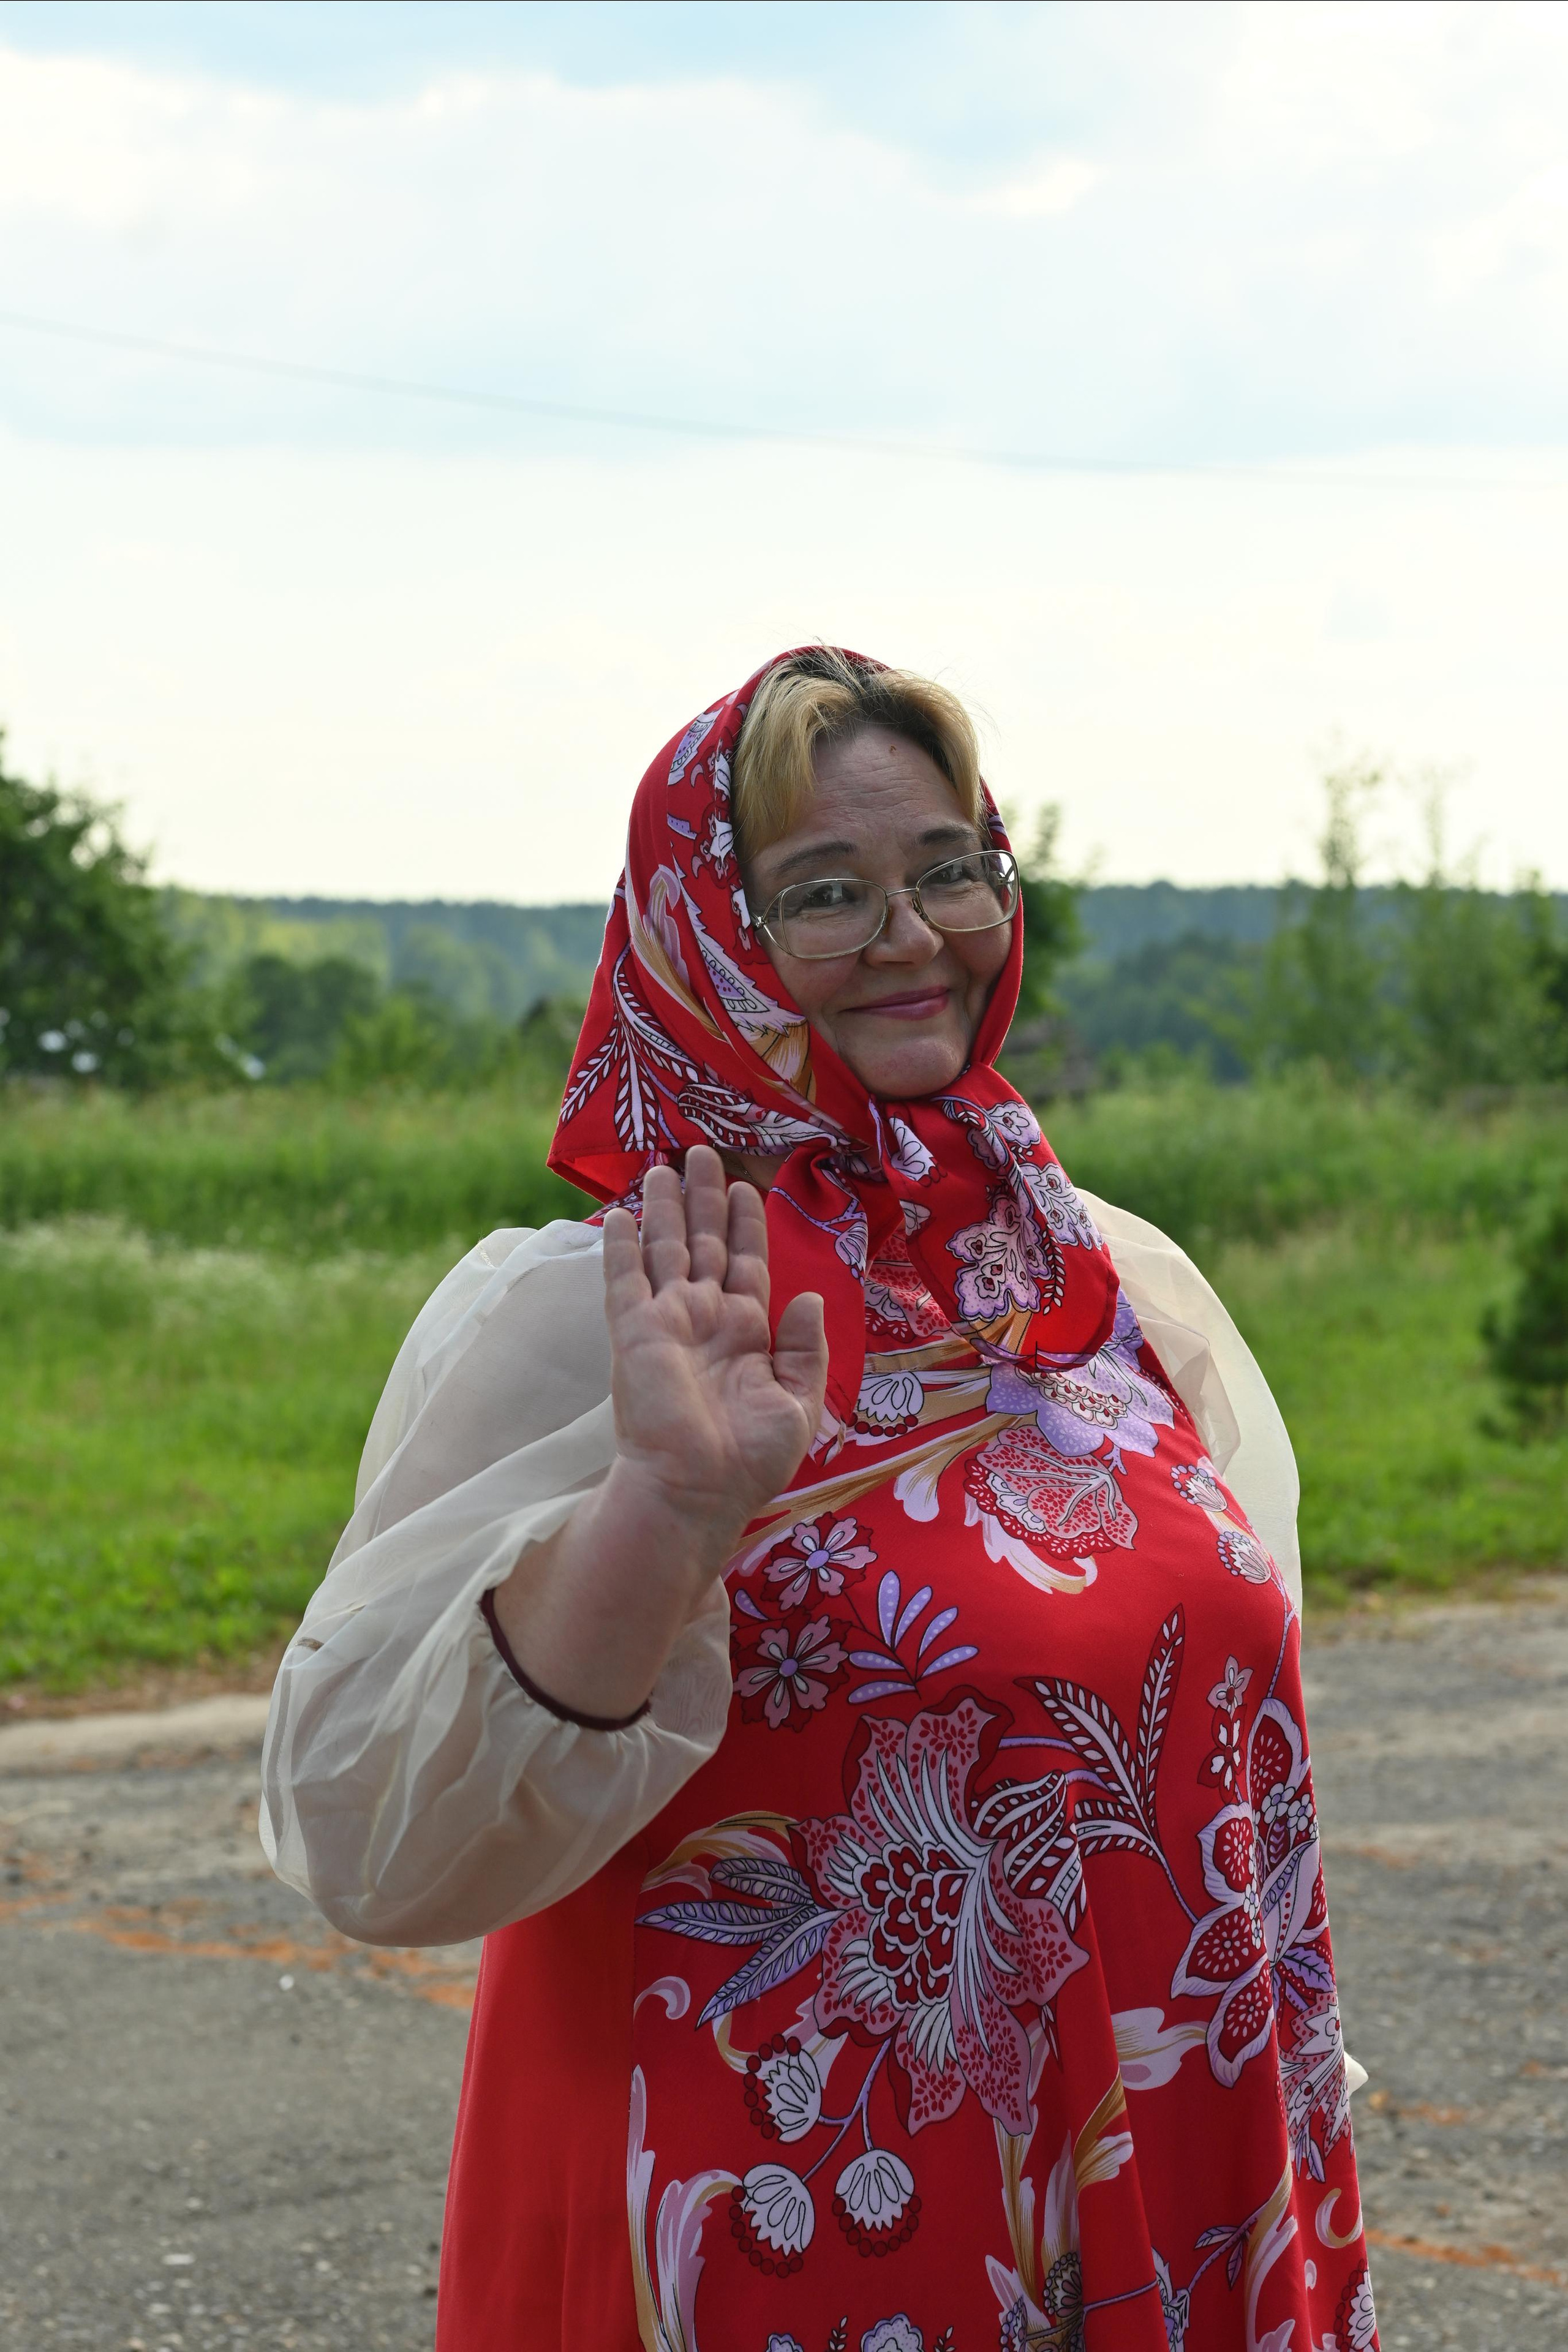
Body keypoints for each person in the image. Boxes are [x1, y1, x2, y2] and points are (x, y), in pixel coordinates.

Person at [262, 647, 1378, 2352]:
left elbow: (1234, 1764)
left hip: (1155, 2178)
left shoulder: (1114, 1289)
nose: (913, 932)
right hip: (766, 2234)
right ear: (705, 938)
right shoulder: (593, 1316)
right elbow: (371, 1846)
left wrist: (1270, 2091)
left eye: (948, 866)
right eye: (824, 894)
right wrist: (664, 1509)